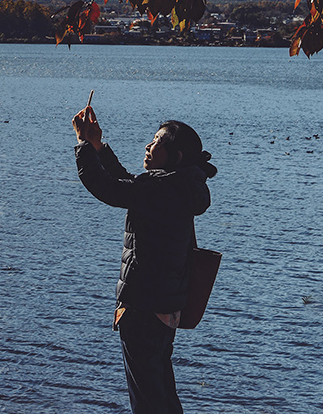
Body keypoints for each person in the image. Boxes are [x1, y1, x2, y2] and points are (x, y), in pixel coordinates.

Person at [71, 106, 217, 414]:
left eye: (157, 142)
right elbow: (128, 184)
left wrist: (84, 146)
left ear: (175, 156)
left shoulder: (162, 188)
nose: (149, 146)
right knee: (160, 387)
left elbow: (107, 187)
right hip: (165, 307)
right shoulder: (178, 186)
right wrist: (99, 147)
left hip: (143, 306)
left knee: (147, 398)